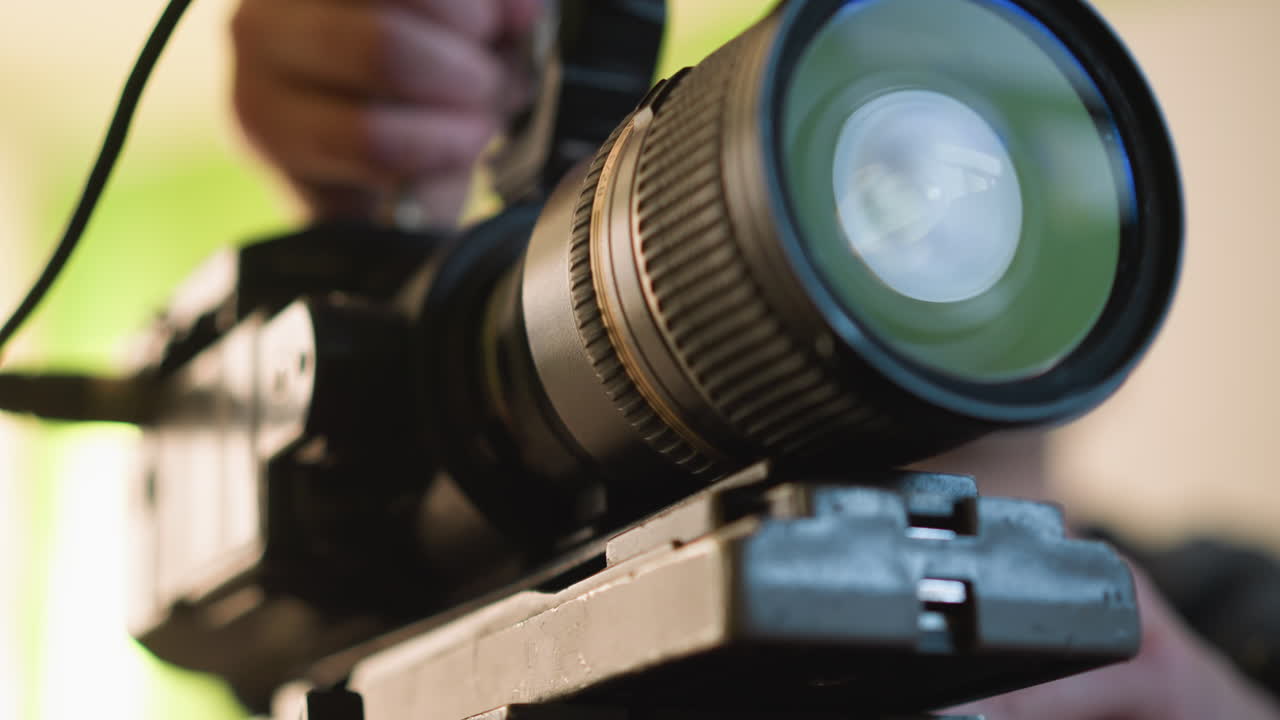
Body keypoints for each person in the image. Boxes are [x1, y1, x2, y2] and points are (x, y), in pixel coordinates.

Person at [229, 0, 1280, 717]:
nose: (954, 190)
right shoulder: (517, 523)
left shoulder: (1226, 621)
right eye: (873, 145)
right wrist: (376, 234)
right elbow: (281, 646)